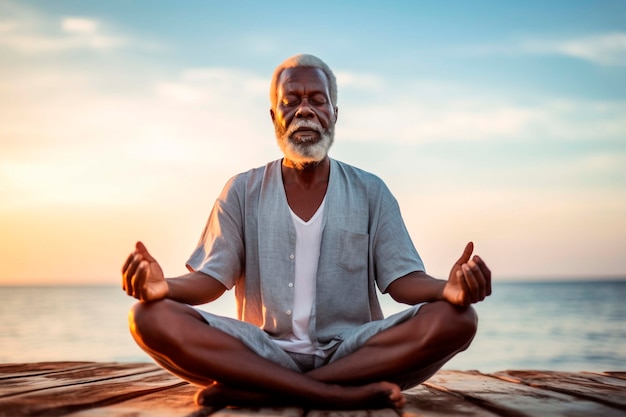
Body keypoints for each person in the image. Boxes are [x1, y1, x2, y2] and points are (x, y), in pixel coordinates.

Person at [122, 54, 491, 410]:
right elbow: (210, 280)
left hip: (354, 351)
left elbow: (402, 280)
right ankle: (335, 394)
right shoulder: (241, 190)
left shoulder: (371, 190)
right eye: (290, 102)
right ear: (274, 117)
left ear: (334, 114)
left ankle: (268, 391)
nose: (304, 110)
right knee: (148, 317)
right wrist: (161, 288)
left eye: (317, 100)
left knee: (458, 319)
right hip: (262, 350)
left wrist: (449, 289)